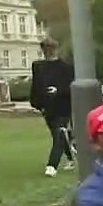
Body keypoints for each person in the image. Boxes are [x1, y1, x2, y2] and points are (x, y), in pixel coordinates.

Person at [29, 37, 75, 177]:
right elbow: (35, 87)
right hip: (48, 108)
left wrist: (58, 90)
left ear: (56, 49)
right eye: (45, 49)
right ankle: (70, 157)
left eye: (50, 49)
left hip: (63, 106)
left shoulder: (66, 67)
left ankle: (52, 166)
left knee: (59, 133)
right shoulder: (38, 66)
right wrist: (37, 104)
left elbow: (71, 87)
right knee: (59, 134)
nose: (48, 52)